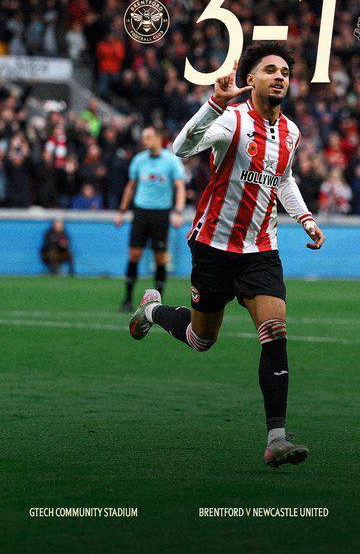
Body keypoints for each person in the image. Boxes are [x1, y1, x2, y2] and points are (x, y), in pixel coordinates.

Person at [128, 42, 325, 468]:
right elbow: (181, 148)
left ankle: (276, 438)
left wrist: (305, 218)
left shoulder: (291, 132)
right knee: (201, 339)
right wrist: (214, 103)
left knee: (275, 331)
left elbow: (283, 179)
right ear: (250, 80)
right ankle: (153, 310)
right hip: (213, 247)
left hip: (260, 250)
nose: (279, 77)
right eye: (270, 70)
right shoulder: (231, 120)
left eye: (285, 72)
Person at [116, 126, 186, 311]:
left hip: (161, 213)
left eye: (148, 137)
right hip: (141, 212)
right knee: (134, 254)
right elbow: (131, 186)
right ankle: (127, 299)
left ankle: (157, 302)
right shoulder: (139, 160)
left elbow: (179, 186)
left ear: (158, 138)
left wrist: (178, 211)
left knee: (160, 257)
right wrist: (122, 210)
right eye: (144, 137)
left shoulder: (171, 161)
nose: (144, 140)